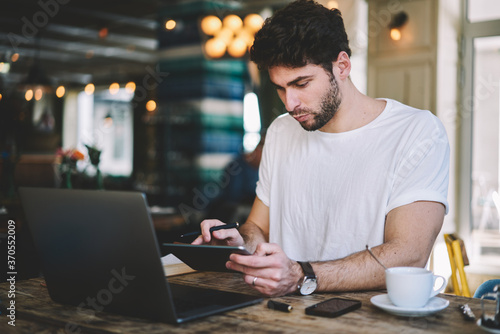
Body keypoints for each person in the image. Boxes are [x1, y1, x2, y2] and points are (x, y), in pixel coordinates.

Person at [193, 0, 449, 297]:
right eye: (280, 87)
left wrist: (303, 275)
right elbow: (257, 228)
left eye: (301, 83)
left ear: (342, 66)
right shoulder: (280, 131)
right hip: (282, 315)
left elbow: (408, 254)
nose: (289, 104)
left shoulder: (417, 131)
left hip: (371, 321)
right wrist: (238, 241)